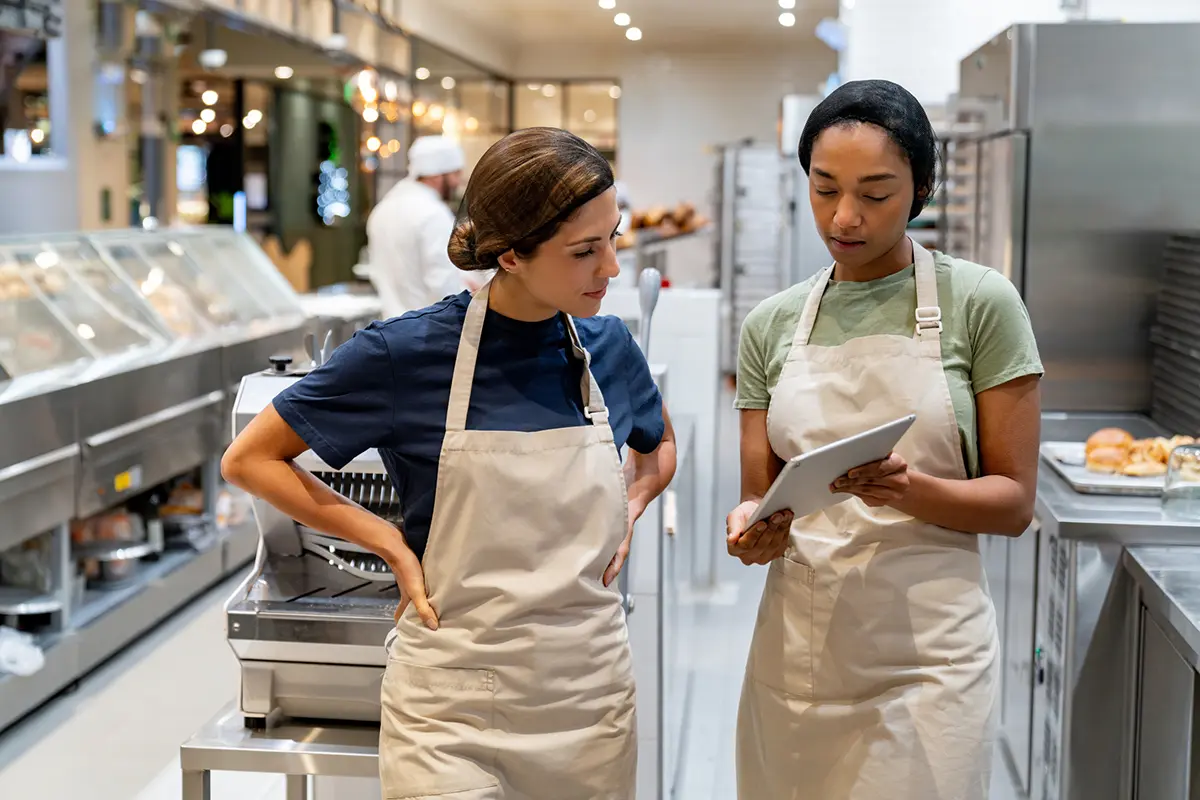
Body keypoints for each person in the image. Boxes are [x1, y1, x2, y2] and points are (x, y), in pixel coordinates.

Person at [221, 127, 676, 798]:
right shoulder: (405, 354)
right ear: (512, 254)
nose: (610, 269)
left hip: (587, 700)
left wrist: (631, 506)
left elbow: (659, 445)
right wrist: (385, 542)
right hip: (450, 711)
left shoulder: (607, 348)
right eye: (586, 251)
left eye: (613, 239)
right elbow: (250, 458)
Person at [726, 79, 1043, 799]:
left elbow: (1014, 503)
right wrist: (750, 530)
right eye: (824, 188)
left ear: (921, 188)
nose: (845, 216)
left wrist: (912, 491)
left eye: (875, 193)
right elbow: (755, 496)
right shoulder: (771, 325)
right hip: (801, 655)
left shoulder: (980, 303)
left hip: (931, 663)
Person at [366, 135, 487, 316]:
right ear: (437, 174)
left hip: (390, 326)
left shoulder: (382, 209)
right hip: (426, 331)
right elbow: (444, 286)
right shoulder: (433, 214)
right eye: (454, 175)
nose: (457, 183)